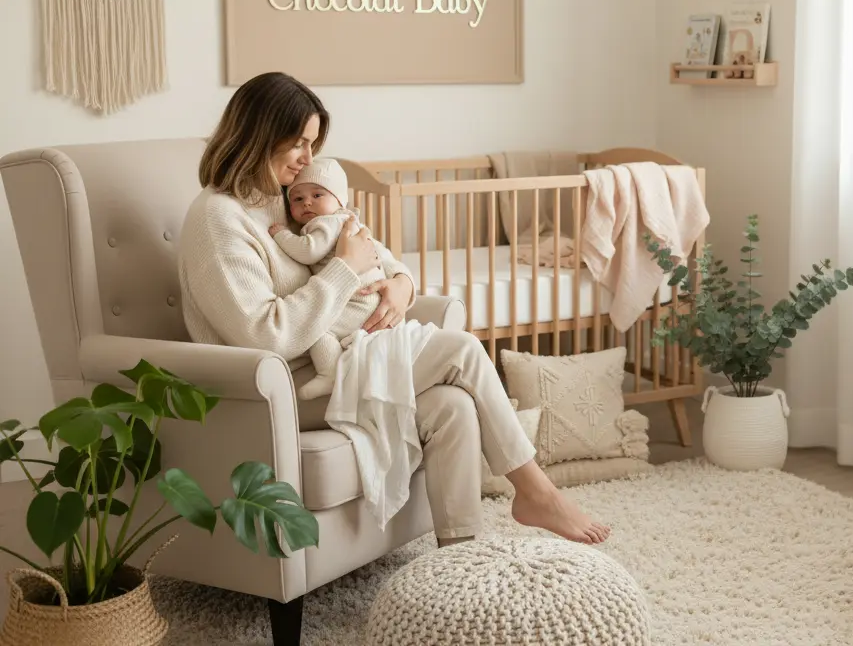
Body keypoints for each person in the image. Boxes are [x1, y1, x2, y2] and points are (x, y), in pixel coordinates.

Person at [176, 71, 609, 546]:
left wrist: (401, 284)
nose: (307, 160)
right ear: (259, 135)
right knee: (462, 352)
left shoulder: (284, 200)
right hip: (286, 388)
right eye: (298, 143)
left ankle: (458, 557)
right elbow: (264, 336)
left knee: (452, 405)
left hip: (345, 360)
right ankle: (535, 491)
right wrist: (343, 269)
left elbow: (371, 251)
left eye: (312, 145)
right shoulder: (216, 219)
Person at [267, 157, 383, 401]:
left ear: (340, 200)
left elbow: (307, 250)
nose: (307, 202)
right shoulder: (344, 221)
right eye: (297, 198)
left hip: (358, 300)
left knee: (316, 327)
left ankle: (330, 373)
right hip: (365, 298)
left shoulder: (327, 223)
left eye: (317, 195)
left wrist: (281, 235)